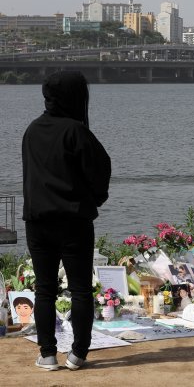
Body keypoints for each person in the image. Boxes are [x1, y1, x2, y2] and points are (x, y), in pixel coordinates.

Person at [22, 71, 111, 371]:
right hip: (73, 221)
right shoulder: (76, 131)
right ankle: (78, 355)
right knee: (81, 289)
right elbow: (101, 167)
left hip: (37, 221)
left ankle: (47, 353)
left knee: (44, 289)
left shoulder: (32, 130)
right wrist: (95, 198)